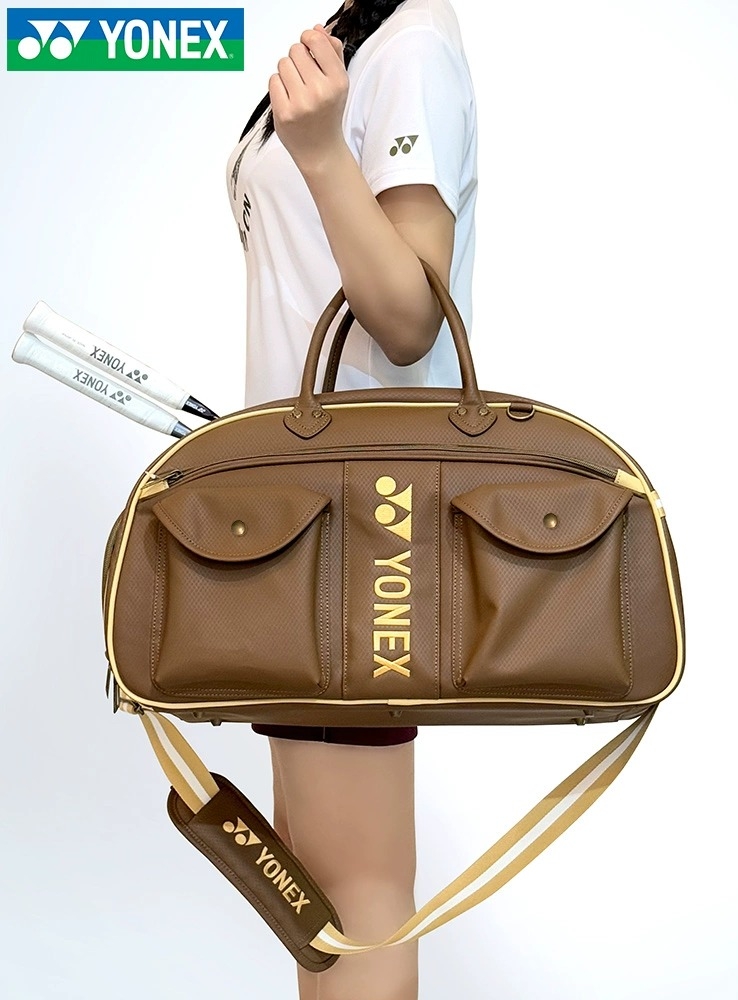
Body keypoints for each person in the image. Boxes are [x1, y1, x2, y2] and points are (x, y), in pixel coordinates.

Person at [225, 1, 477, 995]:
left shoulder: (408, 43)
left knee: (355, 893)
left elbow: (410, 316)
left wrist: (324, 152)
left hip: (361, 516)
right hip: (302, 507)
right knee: (318, 892)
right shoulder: (360, 29)